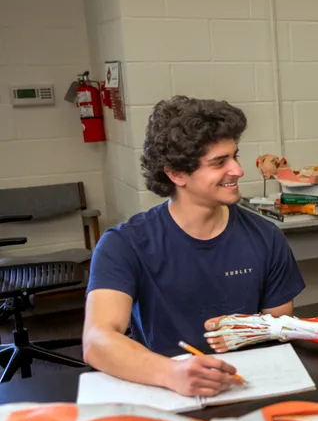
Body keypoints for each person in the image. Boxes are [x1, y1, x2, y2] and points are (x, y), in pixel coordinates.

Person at [83, 96, 305, 398]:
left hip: (248, 384)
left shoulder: (266, 236)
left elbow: (277, 328)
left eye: (235, 156)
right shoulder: (124, 245)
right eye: (219, 163)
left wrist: (252, 330)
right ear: (176, 174)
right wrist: (171, 373)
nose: (238, 170)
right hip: (165, 388)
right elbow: (97, 341)